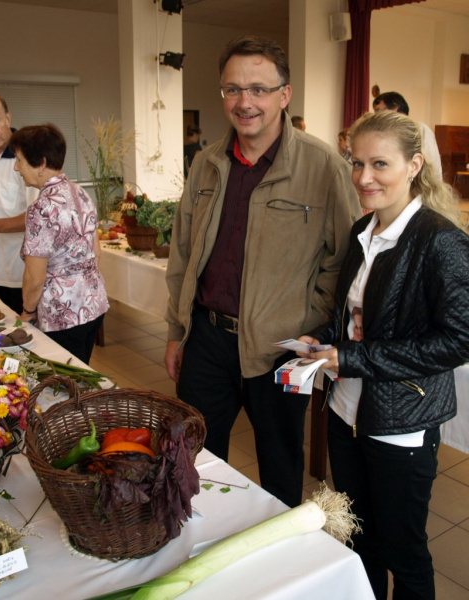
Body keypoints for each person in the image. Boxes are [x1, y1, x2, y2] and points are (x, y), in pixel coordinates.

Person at [164, 35, 361, 508]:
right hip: (207, 341)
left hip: (280, 348)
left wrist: (307, 319)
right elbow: (183, 252)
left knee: (279, 466)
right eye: (232, 89)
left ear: (284, 95)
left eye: (258, 89)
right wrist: (176, 331)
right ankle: (201, 551)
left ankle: (277, 567)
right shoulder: (207, 163)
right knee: (192, 462)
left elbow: (344, 259)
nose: (244, 101)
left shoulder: (323, 167)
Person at [297, 110, 469, 599]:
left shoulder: (441, 241)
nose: (364, 178)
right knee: (358, 538)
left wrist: (350, 360)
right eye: (355, 163)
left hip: (403, 423)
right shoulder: (362, 231)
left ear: (414, 165)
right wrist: (322, 340)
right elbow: (350, 312)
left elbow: (458, 341)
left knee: (404, 550)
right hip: (346, 412)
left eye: (379, 164)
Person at [10, 124, 109, 364]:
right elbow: (95, 251)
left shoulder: (40, 209)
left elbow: (34, 279)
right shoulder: (82, 193)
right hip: (93, 304)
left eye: (20, 160)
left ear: (41, 163)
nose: (16, 167)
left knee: (64, 385)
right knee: (80, 373)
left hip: (62, 313)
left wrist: (28, 312)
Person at [0, 93, 37, 314]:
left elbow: (37, 216)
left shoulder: (27, 158)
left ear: (8, 118)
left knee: (29, 339)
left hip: (24, 271)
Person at [373, 91, 443, 180]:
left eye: (378, 110)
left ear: (394, 107)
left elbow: (432, 167)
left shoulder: (420, 129)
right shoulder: (384, 132)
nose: (376, 116)